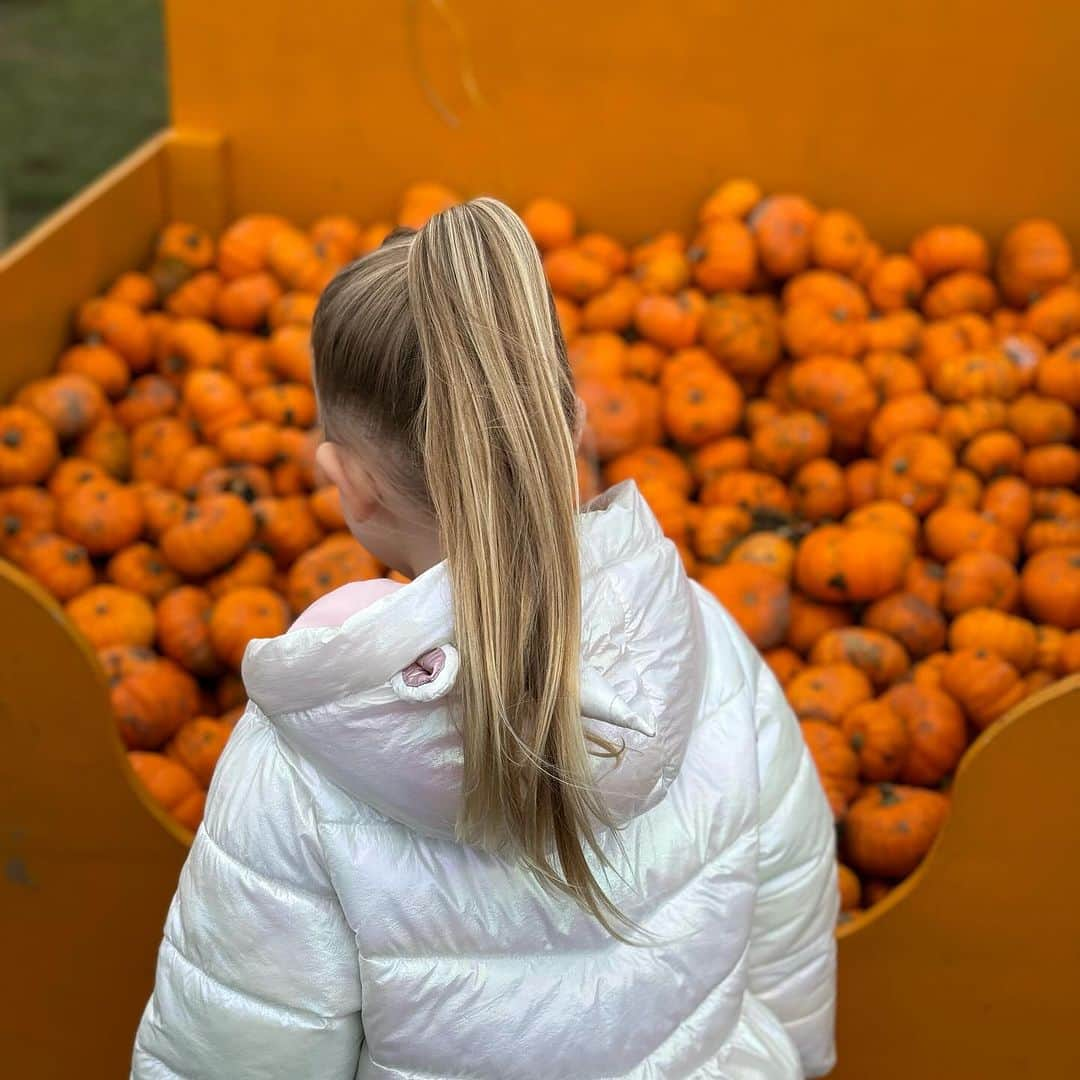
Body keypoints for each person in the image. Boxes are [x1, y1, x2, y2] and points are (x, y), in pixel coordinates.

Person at [132, 198, 837, 1079]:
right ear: (575, 429)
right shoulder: (712, 650)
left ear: (347, 485)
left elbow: (239, 1051)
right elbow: (790, 959)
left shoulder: (300, 767)